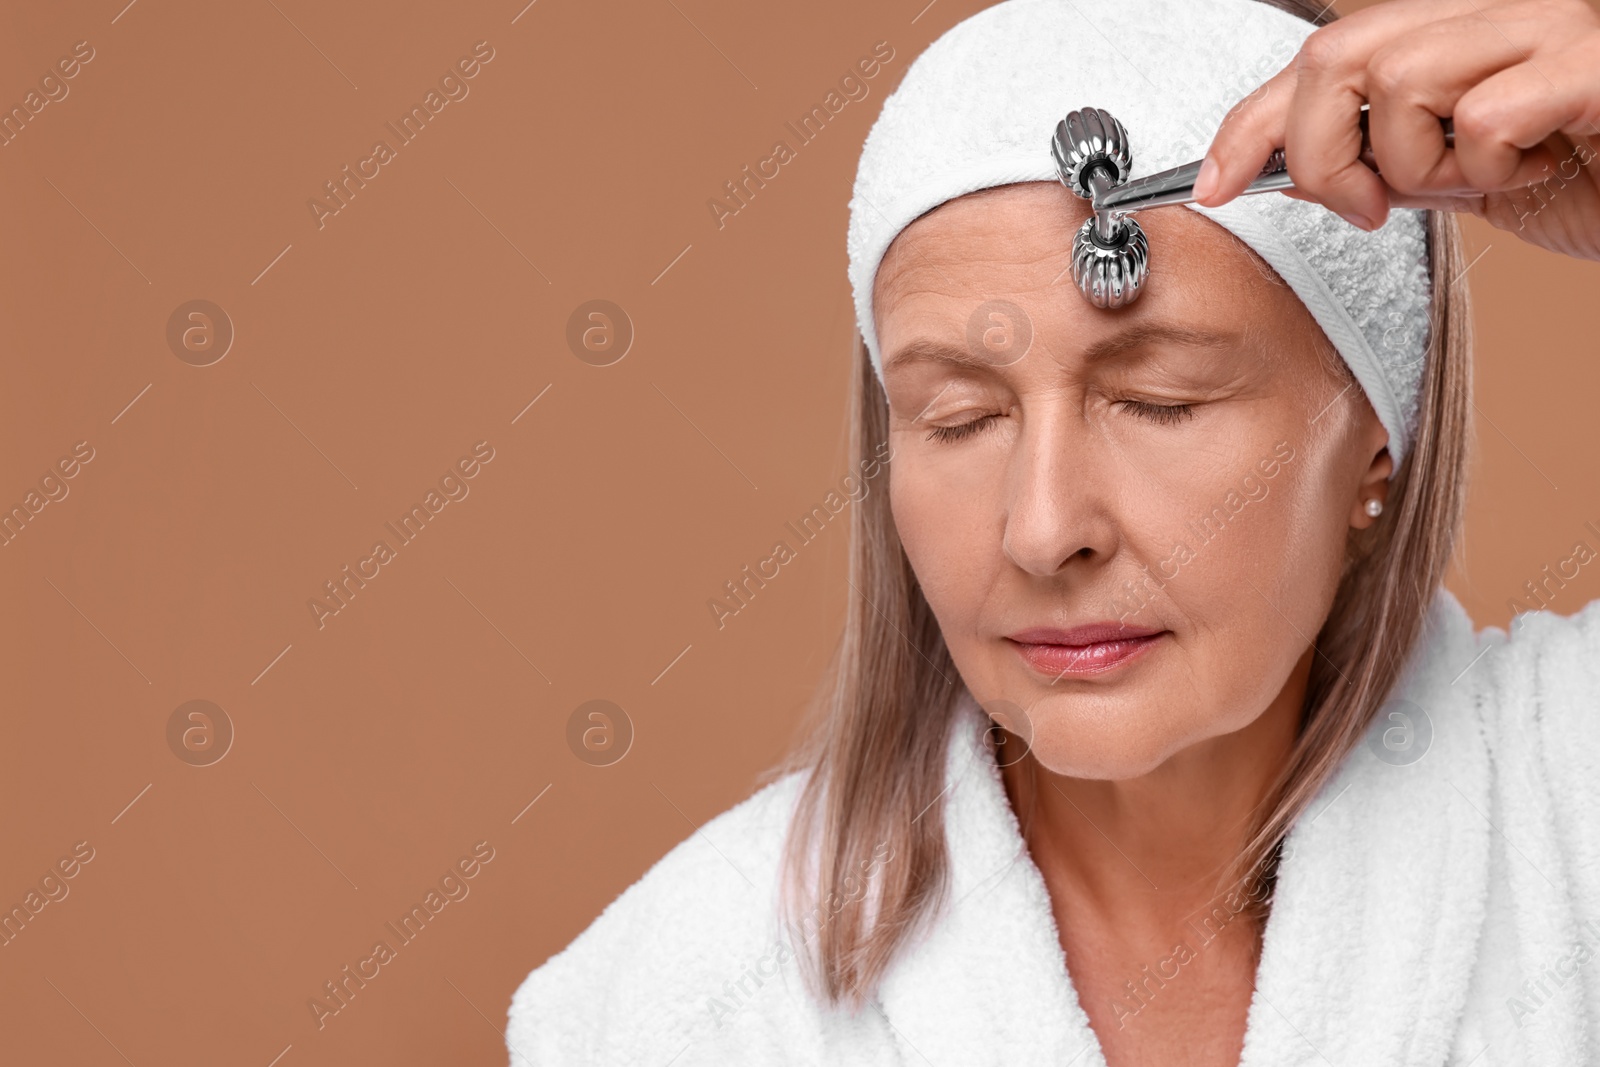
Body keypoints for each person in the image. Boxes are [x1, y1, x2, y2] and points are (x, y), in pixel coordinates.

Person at [506, 0, 1600, 1064]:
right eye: (961, 418)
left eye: (1160, 399)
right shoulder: (678, 1000)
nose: (1041, 529)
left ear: (1376, 439)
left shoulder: (1568, 808)